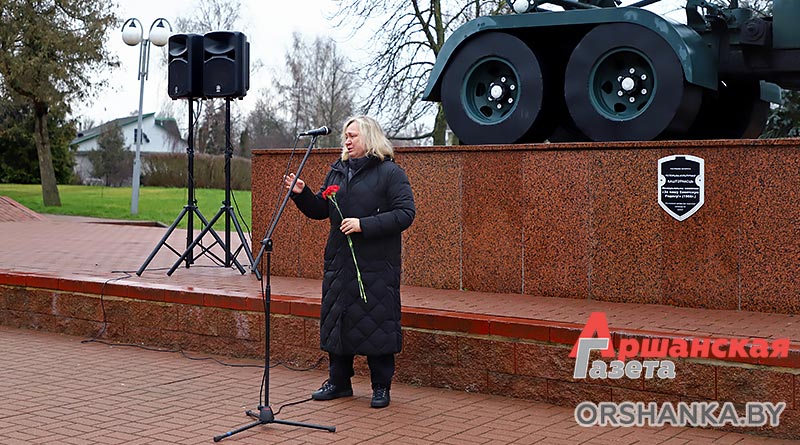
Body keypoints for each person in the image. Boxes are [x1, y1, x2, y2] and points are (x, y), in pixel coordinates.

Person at [284, 115, 416, 408]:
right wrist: (302, 195)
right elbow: (322, 210)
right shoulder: (338, 171)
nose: (347, 140)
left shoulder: (390, 172)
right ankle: (339, 382)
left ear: (369, 137)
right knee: (338, 321)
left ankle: (381, 386)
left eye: (353, 135)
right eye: (345, 135)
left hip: (376, 266)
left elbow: (405, 213)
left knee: (377, 322)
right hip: (340, 262)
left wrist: (363, 225)